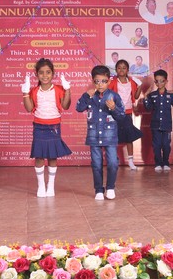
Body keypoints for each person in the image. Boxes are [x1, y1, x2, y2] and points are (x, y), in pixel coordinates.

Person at [22, 58, 72, 197]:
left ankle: (50, 186)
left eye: (48, 72)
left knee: (52, 156)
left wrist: (68, 90)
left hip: (54, 127)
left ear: (53, 74)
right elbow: (29, 108)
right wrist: (25, 93)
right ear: (36, 74)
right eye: (41, 72)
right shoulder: (34, 91)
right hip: (39, 127)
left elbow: (66, 106)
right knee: (39, 157)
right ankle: (41, 186)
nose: (45, 75)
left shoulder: (59, 89)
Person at [76, 65, 125, 200]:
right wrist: (86, 96)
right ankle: (98, 190)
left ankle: (110, 188)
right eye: (97, 81)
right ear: (93, 81)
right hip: (94, 137)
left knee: (113, 163)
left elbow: (121, 116)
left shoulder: (114, 96)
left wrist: (114, 108)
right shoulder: (89, 96)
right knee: (96, 164)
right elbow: (79, 108)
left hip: (110, 137)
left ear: (109, 81)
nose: (100, 84)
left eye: (104, 81)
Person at [108, 60, 143, 170]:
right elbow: (107, 95)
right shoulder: (113, 82)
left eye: (124, 68)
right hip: (115, 113)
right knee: (114, 137)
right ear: (116, 70)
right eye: (119, 68)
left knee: (129, 138)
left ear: (127, 70)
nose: (121, 70)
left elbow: (136, 96)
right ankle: (114, 160)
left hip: (127, 113)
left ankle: (131, 162)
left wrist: (140, 85)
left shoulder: (131, 82)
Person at [143, 69, 173, 172]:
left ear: (166, 81)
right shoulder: (152, 95)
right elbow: (148, 108)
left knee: (166, 145)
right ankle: (158, 163)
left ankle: (166, 163)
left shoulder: (171, 94)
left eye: (162, 81)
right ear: (154, 82)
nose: (159, 83)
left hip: (166, 125)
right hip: (155, 125)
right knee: (157, 145)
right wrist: (146, 96)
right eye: (157, 81)